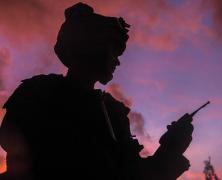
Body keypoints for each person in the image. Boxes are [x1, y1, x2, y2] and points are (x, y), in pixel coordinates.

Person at [0, 2, 193, 180]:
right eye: (112, 51)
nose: (117, 61)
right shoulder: (38, 92)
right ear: (91, 47)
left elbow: (132, 173)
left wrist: (170, 149)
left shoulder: (112, 111)